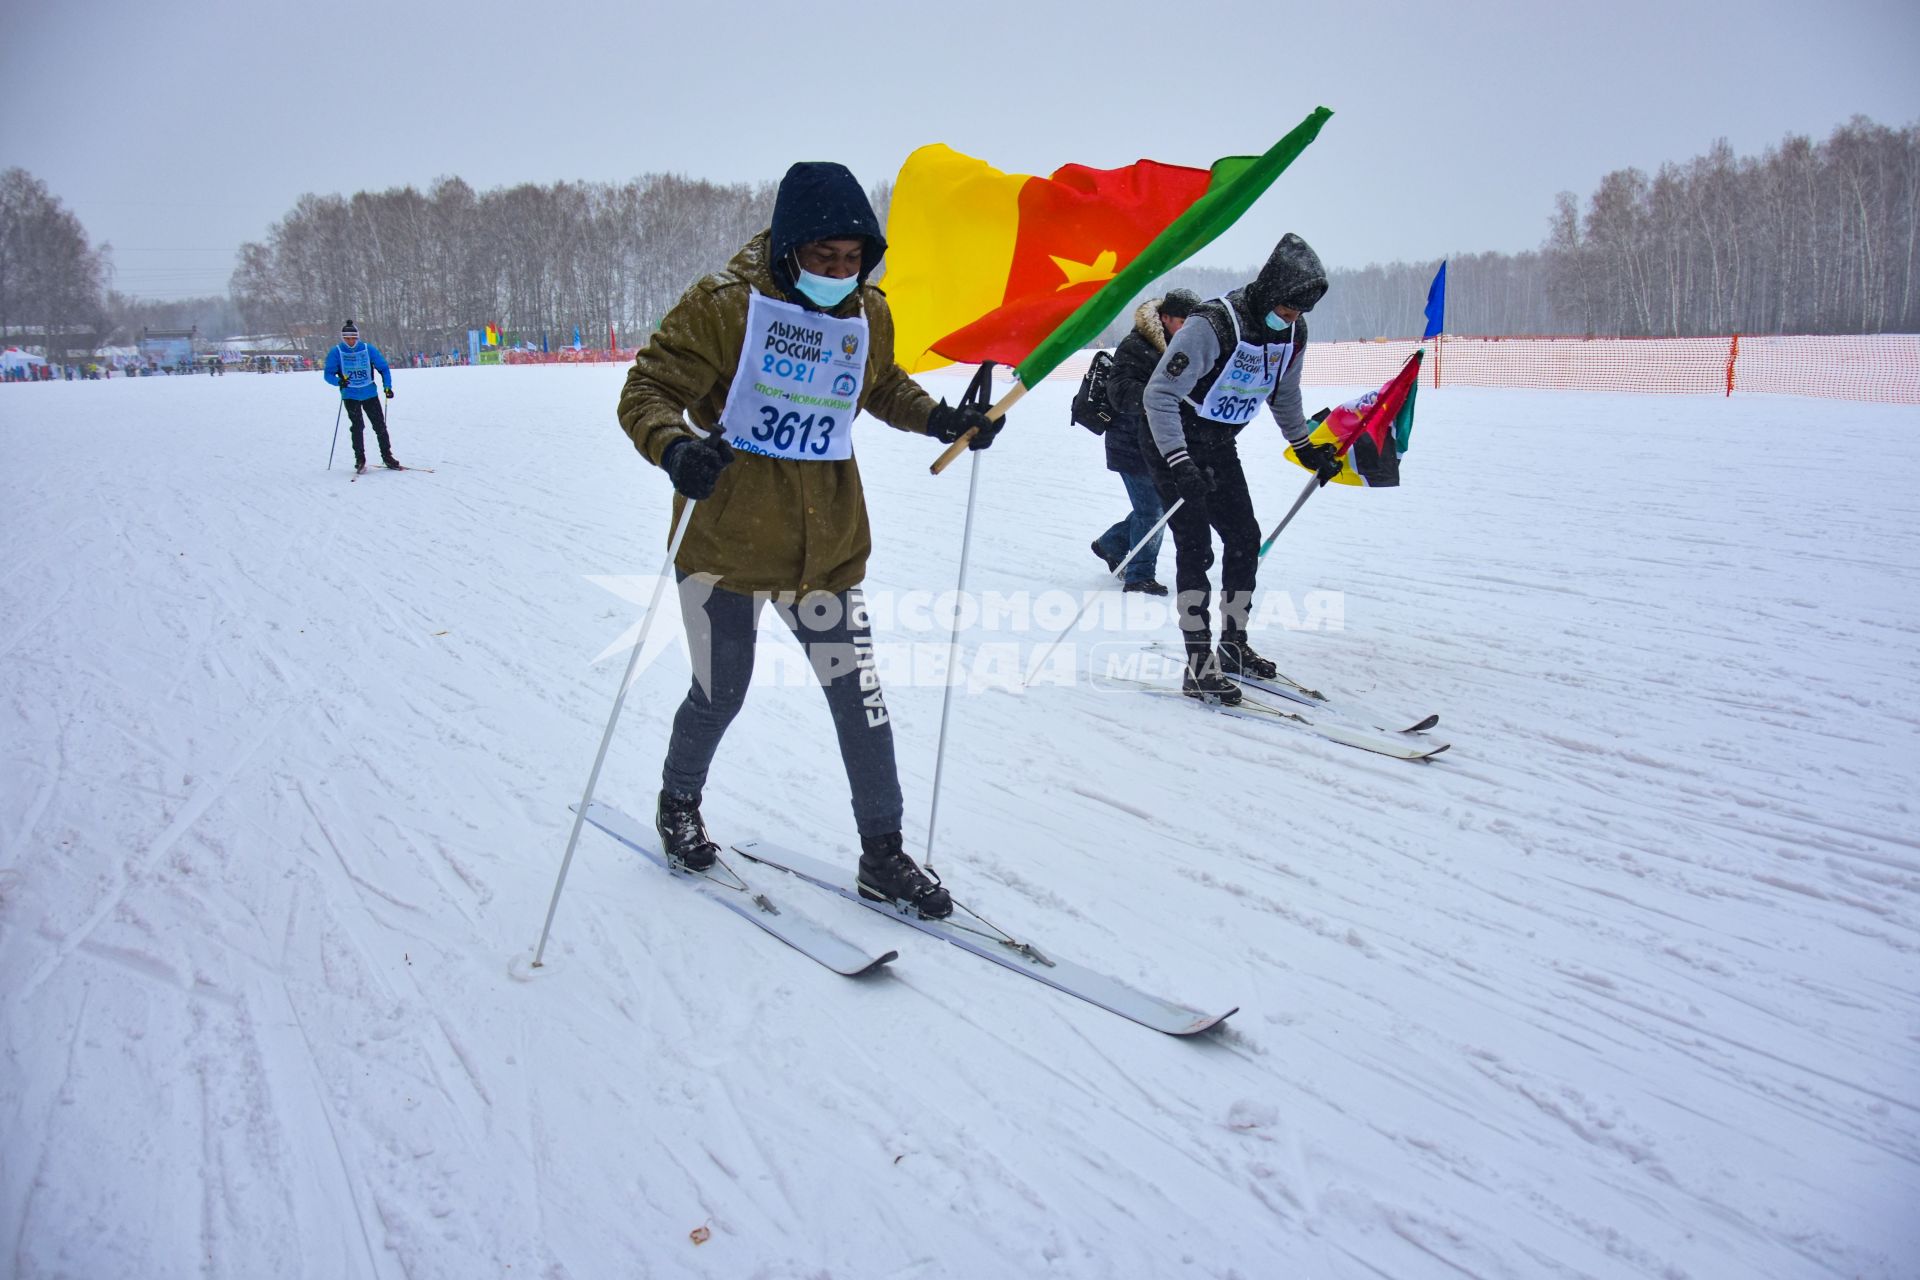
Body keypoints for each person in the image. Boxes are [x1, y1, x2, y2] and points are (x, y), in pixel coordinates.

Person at [615, 160, 1003, 920]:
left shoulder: (868, 311)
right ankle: (678, 803)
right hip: (724, 545)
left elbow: (881, 383)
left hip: (822, 550)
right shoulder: (725, 306)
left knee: (859, 697)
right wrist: (673, 447)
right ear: (791, 247)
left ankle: (883, 853)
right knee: (719, 692)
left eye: (854, 260)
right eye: (825, 259)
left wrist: (940, 419)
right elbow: (647, 390)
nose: (840, 273)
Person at [1141, 233, 1343, 703]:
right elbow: (1159, 395)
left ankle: (1233, 644)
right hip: (1169, 437)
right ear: (1270, 292)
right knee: (1196, 547)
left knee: (1244, 537)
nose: (1290, 320)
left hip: (1217, 442)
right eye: (1286, 310)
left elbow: (1284, 393)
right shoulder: (1212, 325)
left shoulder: (1293, 332)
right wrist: (1179, 462)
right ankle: (1198, 664)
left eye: (1298, 314)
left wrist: (1304, 445)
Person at [1092, 289, 1200, 595]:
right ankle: (1139, 576)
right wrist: (1159, 399)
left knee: (1155, 507)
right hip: (1131, 441)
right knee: (1152, 511)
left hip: (1162, 442)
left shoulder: (1186, 346)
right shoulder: (1137, 346)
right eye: (1183, 321)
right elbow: (1119, 391)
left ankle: (1111, 543)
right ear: (1164, 318)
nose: (1188, 328)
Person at [323, 320, 399, 472]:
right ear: (343, 338)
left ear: (357, 337)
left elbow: (383, 368)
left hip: (369, 393)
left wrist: (387, 387)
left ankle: (387, 456)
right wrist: (339, 381)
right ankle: (360, 459)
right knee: (357, 427)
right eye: (347, 338)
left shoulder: (367, 349)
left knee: (380, 426)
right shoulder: (336, 352)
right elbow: (328, 374)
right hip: (350, 395)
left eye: (353, 338)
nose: (351, 341)